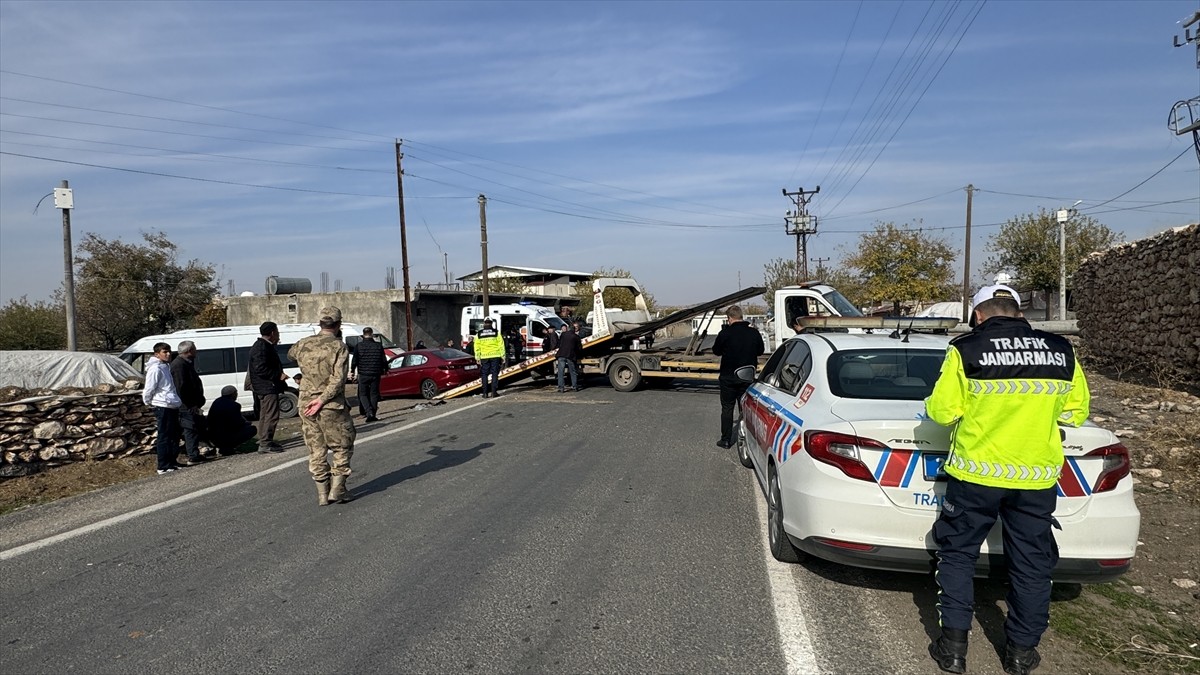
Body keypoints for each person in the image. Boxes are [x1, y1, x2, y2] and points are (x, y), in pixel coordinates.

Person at [925, 285, 1090, 675]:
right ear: (1019, 313)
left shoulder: (966, 349)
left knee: (958, 553)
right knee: (1032, 563)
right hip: (1036, 477)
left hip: (975, 475)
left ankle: (953, 649)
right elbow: (1075, 414)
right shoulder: (1061, 351)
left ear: (979, 315)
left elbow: (943, 412)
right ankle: (1020, 653)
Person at [289, 306, 356, 506]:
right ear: (338, 324)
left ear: (320, 324)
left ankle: (322, 494)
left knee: (316, 449)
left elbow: (291, 355)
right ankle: (338, 489)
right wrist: (322, 399)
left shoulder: (303, 344)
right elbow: (338, 379)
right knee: (342, 444)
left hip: (306, 404)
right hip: (330, 405)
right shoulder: (339, 347)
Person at [712, 304, 764, 449]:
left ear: (729, 318)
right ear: (741, 317)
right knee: (745, 409)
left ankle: (726, 440)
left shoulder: (725, 333)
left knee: (727, 408)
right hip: (746, 378)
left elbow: (716, 351)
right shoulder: (754, 333)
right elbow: (760, 351)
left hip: (728, 377)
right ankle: (747, 439)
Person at [142, 342, 184, 475]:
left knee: (173, 434)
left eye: (169, 351)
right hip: (162, 405)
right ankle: (163, 465)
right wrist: (148, 402)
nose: (168, 354)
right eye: (164, 352)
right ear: (157, 354)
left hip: (171, 404)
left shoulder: (165, 366)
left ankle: (172, 461)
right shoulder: (155, 369)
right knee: (164, 435)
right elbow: (149, 388)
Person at [248, 321, 288, 454]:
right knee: (271, 414)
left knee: (265, 414)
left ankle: (264, 439)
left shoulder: (264, 346)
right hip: (267, 386)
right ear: (272, 332)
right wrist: (278, 375)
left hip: (264, 386)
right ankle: (265, 442)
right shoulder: (262, 347)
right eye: (276, 331)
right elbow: (261, 368)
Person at [170, 340, 208, 465]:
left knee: (194, 428)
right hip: (186, 405)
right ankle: (192, 456)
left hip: (190, 403)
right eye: (194, 349)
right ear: (189, 351)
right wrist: (190, 404)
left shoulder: (187, 363)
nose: (196, 351)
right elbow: (181, 387)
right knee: (189, 429)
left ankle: (194, 453)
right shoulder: (179, 365)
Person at [207, 385, 256, 455]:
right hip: (226, 435)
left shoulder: (216, 402)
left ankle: (224, 447)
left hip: (212, 434)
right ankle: (229, 447)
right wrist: (246, 423)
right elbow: (237, 423)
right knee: (252, 429)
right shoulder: (234, 405)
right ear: (233, 394)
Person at [351, 326, 386, 423]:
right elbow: (383, 360)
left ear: (363, 335)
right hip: (375, 373)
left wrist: (352, 371)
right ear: (372, 335)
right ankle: (373, 414)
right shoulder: (378, 346)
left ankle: (368, 412)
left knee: (363, 394)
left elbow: (354, 360)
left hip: (363, 373)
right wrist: (385, 370)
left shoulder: (359, 346)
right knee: (374, 394)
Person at [473, 318, 506, 398]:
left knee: (484, 374)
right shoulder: (496, 333)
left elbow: (476, 346)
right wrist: (503, 356)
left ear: (484, 323)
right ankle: (493, 392)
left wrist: (477, 357)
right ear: (491, 323)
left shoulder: (479, 334)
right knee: (494, 374)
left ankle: (485, 393)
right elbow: (501, 345)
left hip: (484, 357)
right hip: (495, 356)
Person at [556, 323, 583, 392]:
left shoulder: (563, 334)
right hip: (570, 355)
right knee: (572, 371)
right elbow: (579, 348)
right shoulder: (576, 337)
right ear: (574, 330)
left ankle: (561, 388)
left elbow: (560, 343)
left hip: (561, 354)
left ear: (568, 329)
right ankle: (574, 386)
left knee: (561, 372)